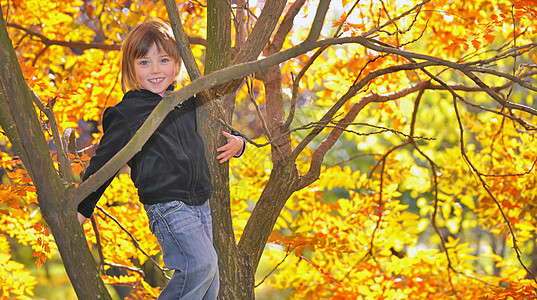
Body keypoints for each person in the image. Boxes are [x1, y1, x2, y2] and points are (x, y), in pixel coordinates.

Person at [76, 19, 245, 299]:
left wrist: (238, 143)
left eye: (163, 60)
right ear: (130, 68)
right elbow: (104, 165)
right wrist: (81, 209)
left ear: (177, 62)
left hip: (201, 203)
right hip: (168, 205)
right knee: (201, 266)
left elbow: (217, 126)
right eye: (144, 62)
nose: (155, 70)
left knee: (210, 281)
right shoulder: (127, 113)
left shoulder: (188, 99)